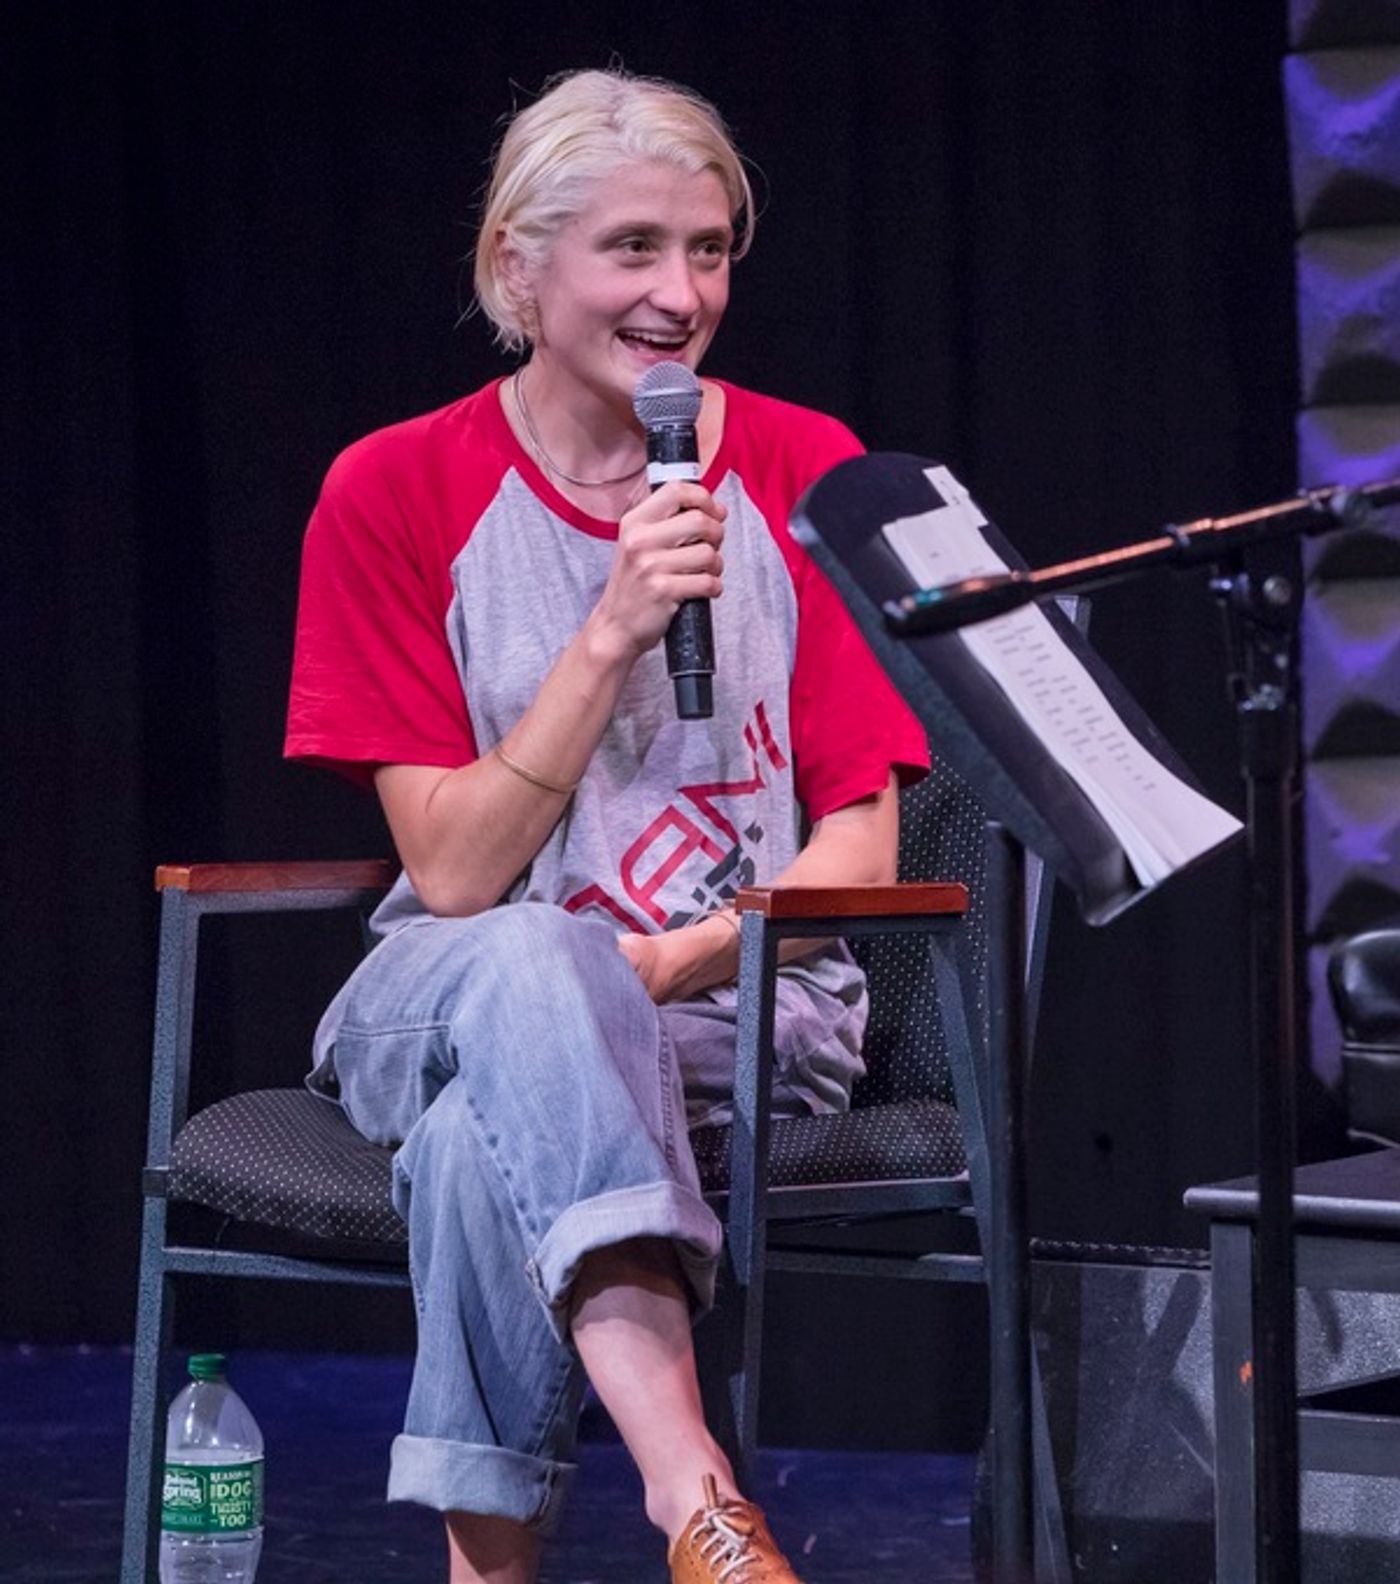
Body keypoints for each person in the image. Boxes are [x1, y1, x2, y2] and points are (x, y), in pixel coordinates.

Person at [285, 67, 929, 1584]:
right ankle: (687, 1484)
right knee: (522, 967)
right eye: (633, 247)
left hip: (741, 1003)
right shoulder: (395, 490)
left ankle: (504, 1568)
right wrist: (608, 637)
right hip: (441, 987)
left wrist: (637, 972)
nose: (682, 291)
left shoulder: (803, 470)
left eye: (707, 250)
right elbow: (449, 872)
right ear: (520, 267)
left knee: (473, 1137)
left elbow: (862, 858)